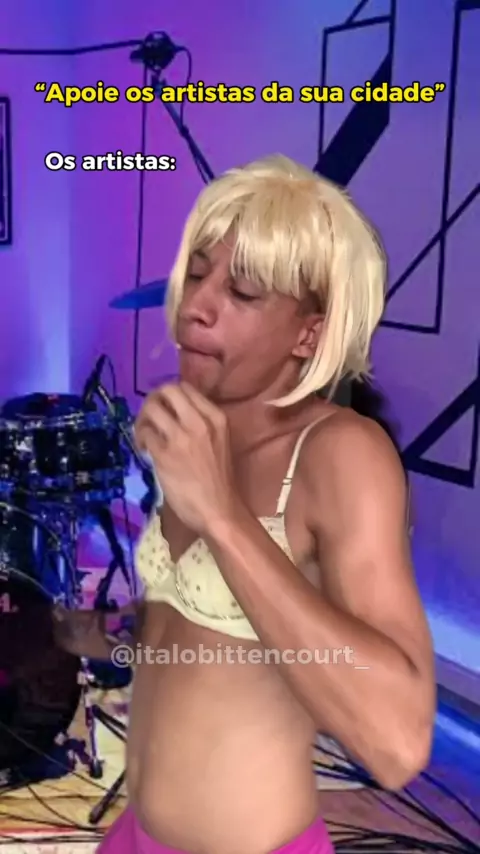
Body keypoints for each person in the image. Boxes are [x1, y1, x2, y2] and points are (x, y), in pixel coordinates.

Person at [55, 155, 434, 854]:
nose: (194, 304)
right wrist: (86, 631)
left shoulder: (341, 454)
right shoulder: (200, 427)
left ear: (308, 334)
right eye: (198, 274)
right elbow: (196, 626)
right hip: (137, 835)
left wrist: (223, 515)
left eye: (243, 291)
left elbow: (397, 743)